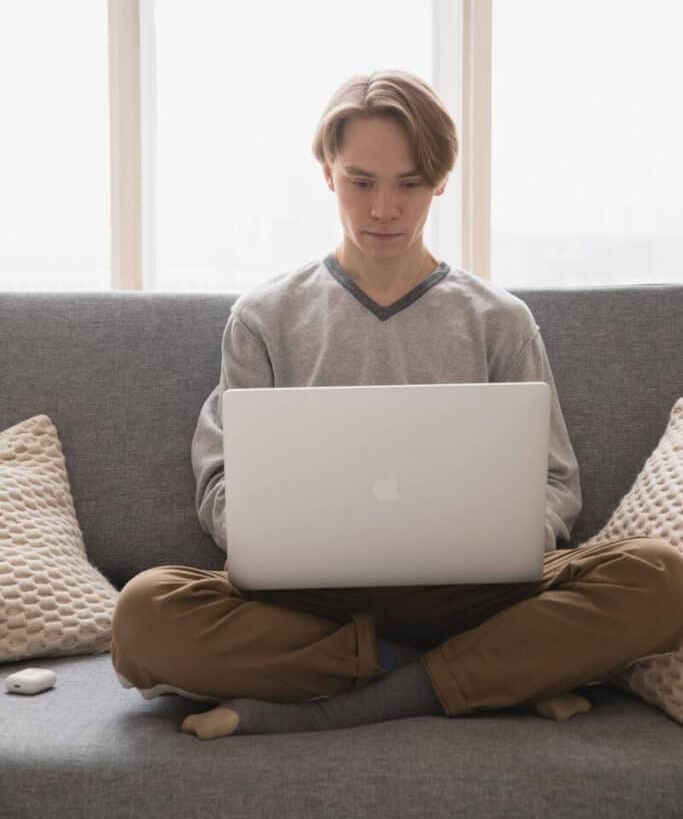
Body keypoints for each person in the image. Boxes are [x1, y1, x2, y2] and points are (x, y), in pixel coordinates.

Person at [110, 70, 683, 740]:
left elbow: (555, 482)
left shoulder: (499, 320)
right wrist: (278, 539)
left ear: (440, 182)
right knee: (146, 614)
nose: (384, 208)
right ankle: (485, 678)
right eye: (361, 181)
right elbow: (219, 482)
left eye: (409, 184)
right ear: (327, 173)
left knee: (659, 575)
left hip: (475, 596)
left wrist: (503, 539)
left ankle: (358, 695)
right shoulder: (264, 318)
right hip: (309, 602)